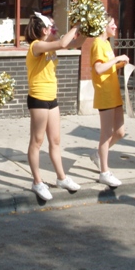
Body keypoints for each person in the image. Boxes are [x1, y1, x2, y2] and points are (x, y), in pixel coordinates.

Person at [25, 13, 86, 200]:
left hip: (52, 98)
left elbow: (77, 43)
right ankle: (37, 182)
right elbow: (62, 43)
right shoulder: (37, 45)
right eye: (53, 26)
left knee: (56, 140)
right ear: (44, 30)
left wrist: (87, 27)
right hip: (38, 98)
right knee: (37, 141)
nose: (57, 29)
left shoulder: (50, 46)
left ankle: (61, 177)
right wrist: (75, 26)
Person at [89, 15, 130, 187]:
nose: (115, 26)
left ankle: (98, 154)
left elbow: (107, 67)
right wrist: (117, 59)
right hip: (105, 94)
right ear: (104, 26)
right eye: (112, 24)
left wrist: (120, 65)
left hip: (114, 93)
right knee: (106, 134)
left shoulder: (106, 43)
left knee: (120, 132)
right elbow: (98, 69)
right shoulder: (98, 44)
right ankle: (104, 172)